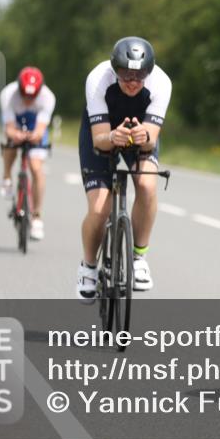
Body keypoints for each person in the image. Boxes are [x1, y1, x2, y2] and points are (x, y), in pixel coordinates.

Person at [76, 37, 171, 302]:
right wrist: (112, 138)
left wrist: (142, 136)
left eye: (140, 75)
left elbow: (152, 136)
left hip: (140, 135)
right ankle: (88, 267)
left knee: (146, 184)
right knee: (99, 209)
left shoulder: (161, 83)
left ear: (149, 72)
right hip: (103, 133)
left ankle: (139, 257)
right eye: (125, 74)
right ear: (114, 69)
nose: (132, 81)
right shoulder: (98, 79)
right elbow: (99, 138)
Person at [0, 66, 56, 241]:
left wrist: (34, 136)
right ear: (19, 89)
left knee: (36, 167)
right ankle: (7, 177)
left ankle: (37, 216)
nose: (28, 99)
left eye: (33, 96)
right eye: (25, 94)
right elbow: (9, 128)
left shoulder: (48, 97)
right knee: (10, 145)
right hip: (15, 121)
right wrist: (15, 135)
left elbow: (40, 130)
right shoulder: (8, 95)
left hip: (35, 124)